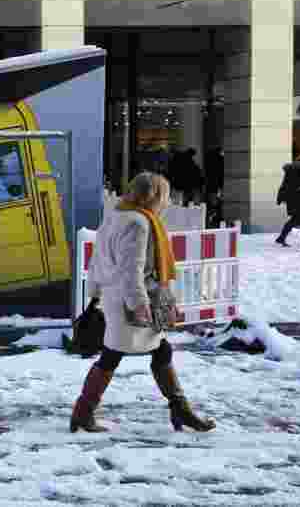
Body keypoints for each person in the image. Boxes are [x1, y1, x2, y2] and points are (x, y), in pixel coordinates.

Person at [71, 171, 215, 434]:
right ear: (154, 196)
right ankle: (83, 412)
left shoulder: (115, 216)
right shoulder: (138, 222)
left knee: (156, 351)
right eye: (165, 195)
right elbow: (132, 269)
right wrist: (139, 303)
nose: (167, 201)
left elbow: (97, 260)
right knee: (114, 356)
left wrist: (95, 292)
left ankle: (179, 410)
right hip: (132, 300)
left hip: (117, 297)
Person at [274, 153, 300, 247]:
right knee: (299, 218)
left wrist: (281, 197)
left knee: (298, 218)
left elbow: (285, 183)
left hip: (290, 196)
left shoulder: (290, 168)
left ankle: (283, 238)